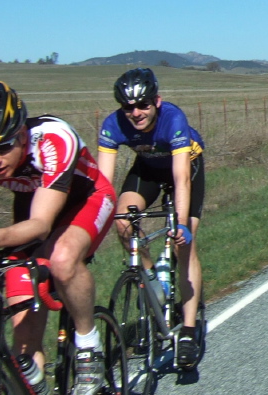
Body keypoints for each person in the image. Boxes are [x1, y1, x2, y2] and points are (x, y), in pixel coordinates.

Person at [0, 80, 116, 395]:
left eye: (2, 148)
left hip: (86, 198)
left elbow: (42, 226)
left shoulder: (53, 139)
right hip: (32, 202)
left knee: (62, 259)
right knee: (23, 336)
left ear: (21, 134)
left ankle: (88, 343)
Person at [96, 67, 205, 369]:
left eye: (143, 104)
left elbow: (181, 177)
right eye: (128, 107)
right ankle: (155, 285)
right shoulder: (112, 124)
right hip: (148, 169)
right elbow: (103, 185)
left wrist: (181, 224)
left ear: (156, 101)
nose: (136, 113)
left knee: (185, 244)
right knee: (122, 222)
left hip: (186, 167)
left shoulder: (173, 118)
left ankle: (188, 328)